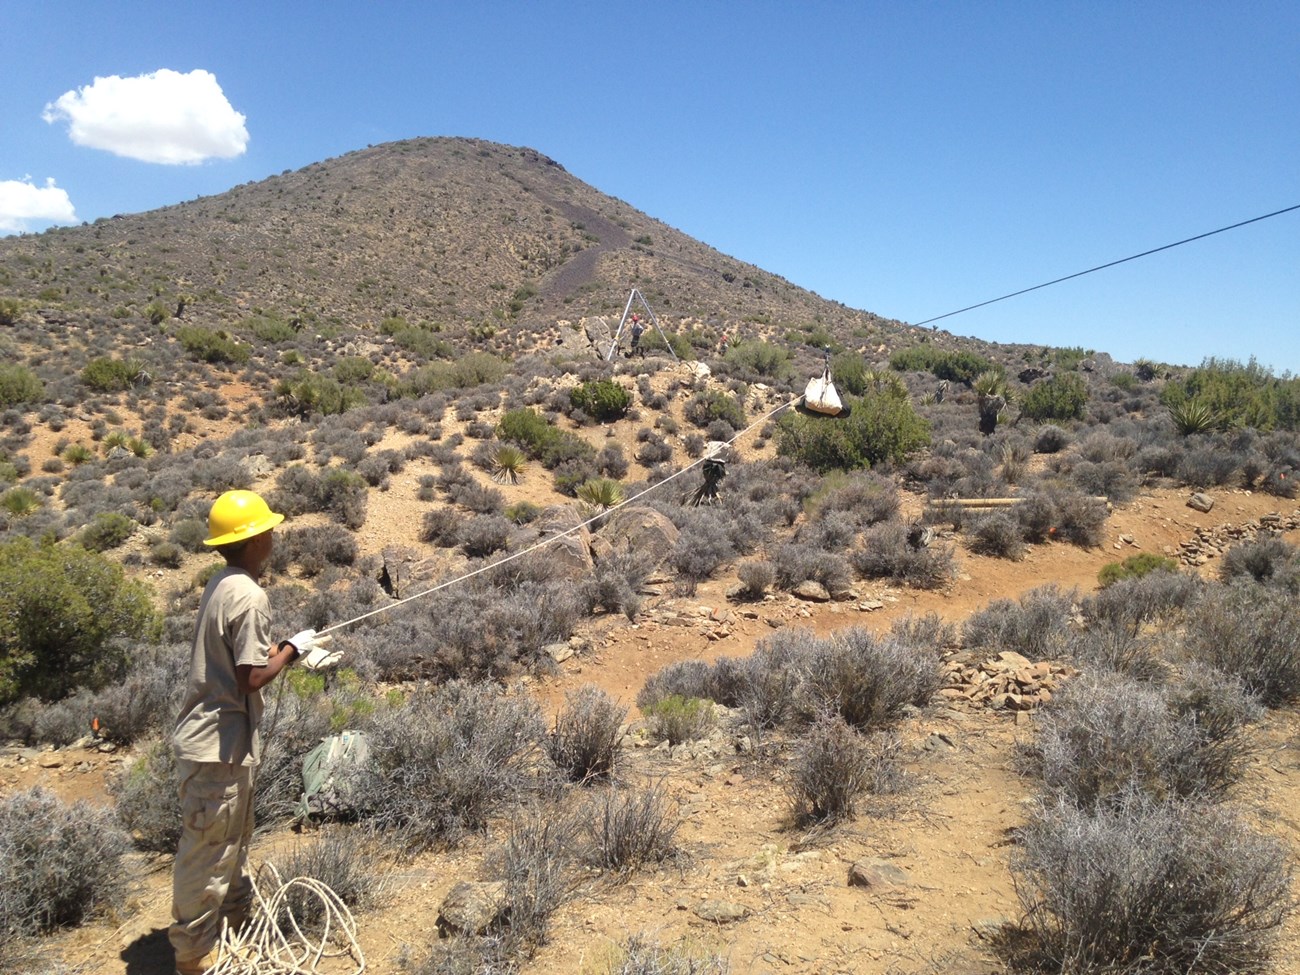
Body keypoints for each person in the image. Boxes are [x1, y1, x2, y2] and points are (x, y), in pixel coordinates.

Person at [170, 490, 341, 975]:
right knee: (207, 852)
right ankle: (193, 957)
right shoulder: (249, 595)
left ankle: (234, 926)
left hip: (219, 743)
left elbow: (243, 660)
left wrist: (285, 647)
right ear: (254, 540)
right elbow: (251, 679)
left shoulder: (223, 583)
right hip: (216, 747)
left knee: (232, 841)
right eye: (268, 530)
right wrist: (290, 650)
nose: (273, 536)